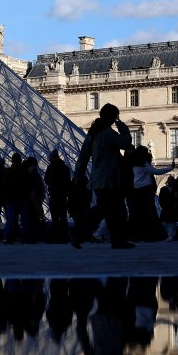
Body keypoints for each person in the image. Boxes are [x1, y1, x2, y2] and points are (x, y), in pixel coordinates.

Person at [72, 104, 135, 249]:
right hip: (109, 178)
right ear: (111, 117)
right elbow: (125, 144)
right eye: (114, 117)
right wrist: (124, 129)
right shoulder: (107, 133)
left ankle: (117, 240)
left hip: (98, 178)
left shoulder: (93, 133)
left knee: (109, 210)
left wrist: (78, 175)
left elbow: (83, 156)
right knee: (111, 210)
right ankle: (78, 233)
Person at [129, 146, 172, 241]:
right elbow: (158, 171)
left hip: (136, 191)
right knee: (151, 213)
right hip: (145, 190)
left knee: (138, 214)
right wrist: (170, 168)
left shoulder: (134, 164)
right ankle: (155, 235)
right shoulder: (144, 164)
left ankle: (137, 235)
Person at [45, 151, 71, 242]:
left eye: (49, 157)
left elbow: (46, 179)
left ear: (53, 157)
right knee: (63, 216)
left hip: (54, 194)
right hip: (63, 195)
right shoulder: (65, 167)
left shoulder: (50, 167)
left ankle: (56, 236)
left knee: (55, 217)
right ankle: (64, 236)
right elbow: (68, 182)